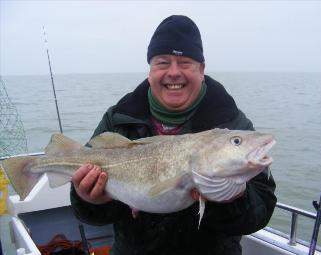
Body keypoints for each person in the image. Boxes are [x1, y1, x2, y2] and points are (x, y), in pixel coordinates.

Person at [70, 15, 277, 255]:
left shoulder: (232, 122)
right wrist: (89, 199)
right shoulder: (118, 120)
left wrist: (234, 198)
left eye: (185, 62)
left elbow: (260, 213)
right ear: (150, 71)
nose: (174, 72)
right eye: (163, 62)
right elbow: (90, 214)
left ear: (201, 70)